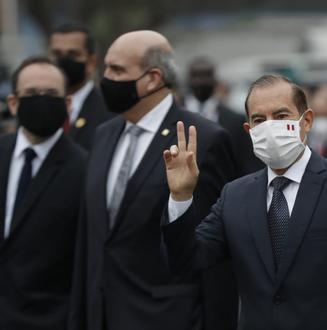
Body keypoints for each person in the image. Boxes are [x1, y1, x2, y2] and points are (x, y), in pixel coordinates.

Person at [162, 74, 327, 330]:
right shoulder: (235, 195)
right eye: (259, 120)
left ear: (306, 121)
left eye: (281, 116)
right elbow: (187, 262)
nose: (270, 126)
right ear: (249, 130)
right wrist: (180, 196)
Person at [68, 31, 236, 330]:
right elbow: (92, 237)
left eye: (117, 70)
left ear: (153, 78)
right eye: (105, 67)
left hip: (167, 317)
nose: (104, 78)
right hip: (100, 314)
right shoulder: (104, 134)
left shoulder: (203, 139)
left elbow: (215, 255)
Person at [0, 57, 87, 329]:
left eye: (51, 94)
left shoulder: (86, 169)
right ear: (13, 103)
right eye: (31, 94)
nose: (41, 100)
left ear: (68, 104)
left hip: (51, 320)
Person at [185, 57, 261, 176]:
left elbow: (246, 163)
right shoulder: (174, 117)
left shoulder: (235, 120)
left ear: (215, 80)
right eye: (196, 76)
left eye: (206, 76)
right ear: (188, 80)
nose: (201, 82)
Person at [49, 23, 113, 150]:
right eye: (57, 54)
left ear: (91, 62)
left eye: (73, 54)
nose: (63, 61)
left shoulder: (109, 110)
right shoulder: (37, 105)